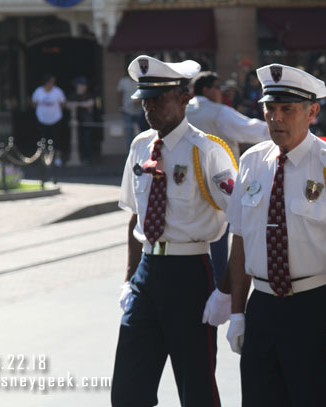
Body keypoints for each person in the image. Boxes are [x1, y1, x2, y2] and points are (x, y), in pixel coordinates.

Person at [226, 63, 326, 407]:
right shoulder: (252, 161)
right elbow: (241, 238)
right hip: (261, 305)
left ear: (312, 111)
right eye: (270, 109)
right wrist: (236, 311)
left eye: (287, 109)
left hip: (314, 305)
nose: (276, 118)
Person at [112, 55, 238, 407]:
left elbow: (241, 220)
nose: (150, 108)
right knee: (127, 391)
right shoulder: (140, 146)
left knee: (196, 387)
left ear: (184, 98)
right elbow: (136, 217)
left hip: (191, 273)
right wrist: (129, 278)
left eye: (159, 99)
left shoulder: (206, 151)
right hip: (148, 275)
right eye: (146, 100)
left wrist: (226, 291)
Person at [186, 71, 271, 285]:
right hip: (220, 182)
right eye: (216, 87)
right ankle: (220, 283)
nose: (219, 92)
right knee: (221, 233)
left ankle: (199, 279)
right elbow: (250, 129)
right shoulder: (219, 112)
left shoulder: (183, 111)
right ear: (206, 89)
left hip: (188, 183)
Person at [31, 74, 66, 166]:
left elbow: (63, 104)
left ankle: (58, 158)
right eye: (50, 82)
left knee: (57, 139)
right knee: (43, 140)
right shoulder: (38, 91)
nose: (52, 84)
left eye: (53, 82)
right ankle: (45, 158)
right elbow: (34, 103)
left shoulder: (58, 91)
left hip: (56, 119)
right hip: (42, 119)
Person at [117, 69, 148, 150]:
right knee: (129, 133)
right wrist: (120, 107)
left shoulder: (140, 82)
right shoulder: (123, 81)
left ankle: (142, 151)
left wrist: (139, 101)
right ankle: (130, 153)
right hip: (127, 111)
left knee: (141, 132)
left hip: (139, 111)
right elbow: (119, 94)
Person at [67, 76, 95, 164]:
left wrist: (77, 104)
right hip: (75, 122)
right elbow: (68, 105)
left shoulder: (88, 94)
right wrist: (79, 104)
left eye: (84, 85)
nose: (83, 87)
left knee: (87, 140)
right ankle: (77, 157)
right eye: (81, 85)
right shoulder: (72, 95)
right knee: (76, 140)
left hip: (86, 121)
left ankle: (87, 158)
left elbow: (90, 103)